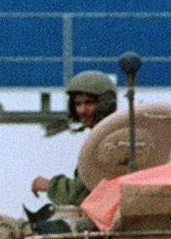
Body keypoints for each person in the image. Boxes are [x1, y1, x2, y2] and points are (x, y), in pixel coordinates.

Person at [32, 70, 120, 206]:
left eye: (89, 103)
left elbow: (76, 194)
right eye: (78, 104)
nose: (82, 110)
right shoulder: (119, 133)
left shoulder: (105, 142)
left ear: (106, 104)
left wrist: (49, 186)